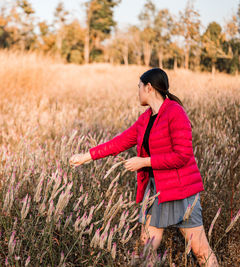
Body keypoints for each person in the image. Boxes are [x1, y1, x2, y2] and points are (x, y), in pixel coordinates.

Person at [69, 68, 219, 266]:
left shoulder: (175, 112)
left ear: (149, 88)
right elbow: (120, 142)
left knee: (200, 251)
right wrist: (87, 156)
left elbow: (182, 156)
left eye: (139, 87)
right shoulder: (146, 118)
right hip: (156, 191)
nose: (137, 92)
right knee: (145, 249)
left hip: (181, 192)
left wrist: (145, 161)